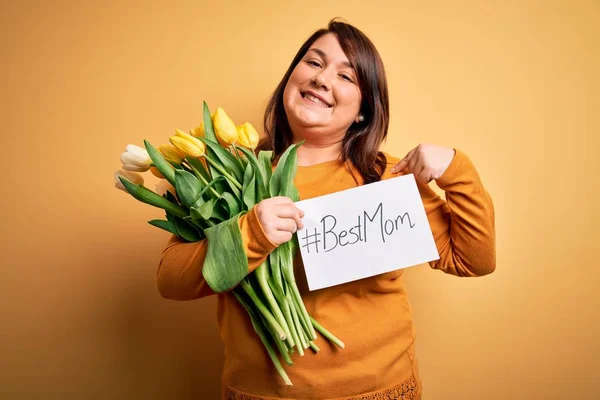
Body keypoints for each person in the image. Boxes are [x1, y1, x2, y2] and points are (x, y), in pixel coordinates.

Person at [157, 19, 495, 400]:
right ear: (291, 78)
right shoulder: (233, 175)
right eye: (314, 63)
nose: (322, 79)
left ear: (364, 111)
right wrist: (249, 234)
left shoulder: (386, 178)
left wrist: (456, 168)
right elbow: (171, 281)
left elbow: (474, 260)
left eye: (346, 76)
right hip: (260, 393)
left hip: (376, 390)